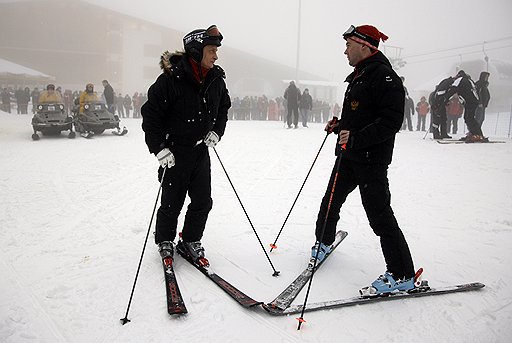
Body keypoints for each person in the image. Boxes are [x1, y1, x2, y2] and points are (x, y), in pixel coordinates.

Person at [313, 24, 415, 296]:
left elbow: (391, 121)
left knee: (379, 215)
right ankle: (323, 242)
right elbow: (360, 116)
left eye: (348, 44)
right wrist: (340, 125)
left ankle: (402, 273)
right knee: (330, 200)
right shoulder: (359, 76)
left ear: (365, 46)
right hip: (349, 156)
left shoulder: (385, 78)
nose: (344, 50)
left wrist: (356, 137)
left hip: (371, 159)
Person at [141, 25, 230, 264]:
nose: (216, 55)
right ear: (196, 50)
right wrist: (159, 148)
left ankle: (190, 239)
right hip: (175, 152)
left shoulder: (215, 79)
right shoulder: (171, 80)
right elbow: (151, 116)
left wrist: (216, 131)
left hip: (200, 151)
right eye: (211, 50)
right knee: (172, 201)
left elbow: (223, 107)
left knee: (203, 201)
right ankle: (165, 240)